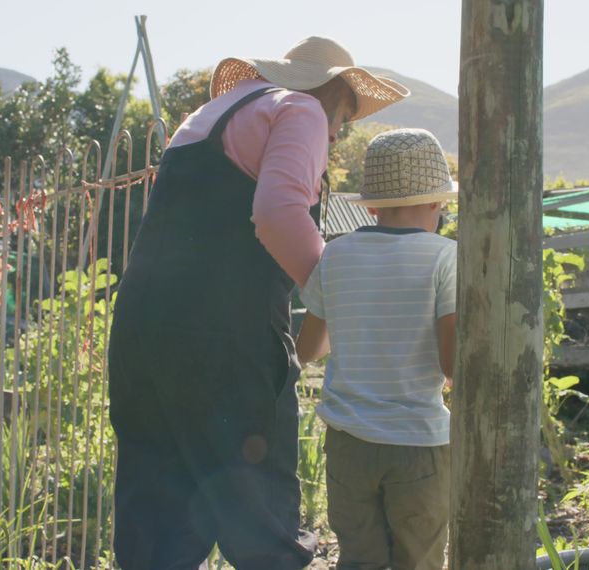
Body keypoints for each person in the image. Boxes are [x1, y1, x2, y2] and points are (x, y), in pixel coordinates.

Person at [107, 37, 408, 569]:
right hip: (224, 338)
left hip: (139, 331)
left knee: (156, 531)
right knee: (262, 526)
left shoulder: (206, 117)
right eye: (346, 117)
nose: (338, 132)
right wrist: (336, 300)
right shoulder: (301, 109)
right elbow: (277, 214)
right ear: (330, 92)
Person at [295, 128, 457, 570]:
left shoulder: (336, 254)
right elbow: (452, 363)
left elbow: (308, 348)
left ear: (370, 204)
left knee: (359, 560)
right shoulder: (445, 257)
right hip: (417, 445)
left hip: (348, 445)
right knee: (418, 561)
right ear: (434, 202)